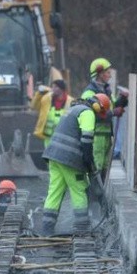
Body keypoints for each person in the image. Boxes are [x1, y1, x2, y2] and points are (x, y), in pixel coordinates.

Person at [39, 93, 111, 236]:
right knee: (79, 189)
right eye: (100, 113)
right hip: (69, 160)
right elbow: (86, 141)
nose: (99, 117)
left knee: (54, 191)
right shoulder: (88, 113)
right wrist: (88, 162)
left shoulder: (74, 109)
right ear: (97, 107)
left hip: (53, 156)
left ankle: (47, 228)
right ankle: (82, 228)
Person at [81, 58, 128, 180]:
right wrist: (113, 113)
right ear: (100, 73)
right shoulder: (89, 93)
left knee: (105, 165)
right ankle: (94, 193)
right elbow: (94, 114)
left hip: (106, 135)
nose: (110, 75)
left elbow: (112, 105)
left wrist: (122, 101)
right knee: (97, 165)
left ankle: (101, 194)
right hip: (96, 136)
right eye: (107, 72)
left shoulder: (106, 90)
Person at [31, 79, 74, 147]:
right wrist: (39, 94)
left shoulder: (70, 101)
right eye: (52, 86)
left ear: (62, 89)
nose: (53, 89)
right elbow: (34, 106)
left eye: (55, 87)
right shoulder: (46, 99)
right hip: (48, 137)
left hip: (63, 136)